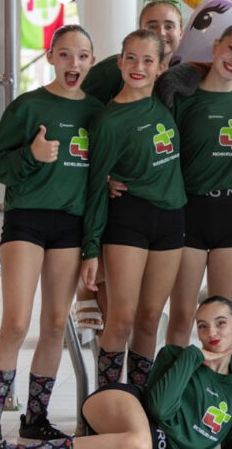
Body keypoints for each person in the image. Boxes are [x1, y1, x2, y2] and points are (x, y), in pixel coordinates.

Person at [0, 25, 102, 444]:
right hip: (27, 218)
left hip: (71, 224)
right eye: (65, 55)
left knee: (53, 325)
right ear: (50, 57)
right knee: (15, 321)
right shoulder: (28, 107)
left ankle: (35, 419)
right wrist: (31, 155)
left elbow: (103, 172)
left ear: (92, 61)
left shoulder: (98, 112)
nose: (74, 64)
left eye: (82, 56)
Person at [0, 297, 232, 449]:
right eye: (203, 325)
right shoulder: (178, 355)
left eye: (221, 323)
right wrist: (195, 356)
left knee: (138, 444)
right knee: (139, 442)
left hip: (150, 440)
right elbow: (158, 407)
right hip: (125, 404)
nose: (212, 333)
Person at [79, 29, 186, 389]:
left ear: (161, 67)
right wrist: (91, 248)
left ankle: (138, 404)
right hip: (129, 218)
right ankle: (106, 404)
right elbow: (94, 187)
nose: (138, 66)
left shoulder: (165, 98)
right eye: (131, 58)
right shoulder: (109, 121)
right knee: (121, 318)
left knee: (150, 317)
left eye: (147, 60)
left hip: (172, 218)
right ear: (120, 62)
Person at [160, 25, 232, 348]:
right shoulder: (184, 99)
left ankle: (216, 392)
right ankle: (174, 392)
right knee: (182, 314)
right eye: (231, 49)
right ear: (216, 46)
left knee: (221, 318)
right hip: (191, 210)